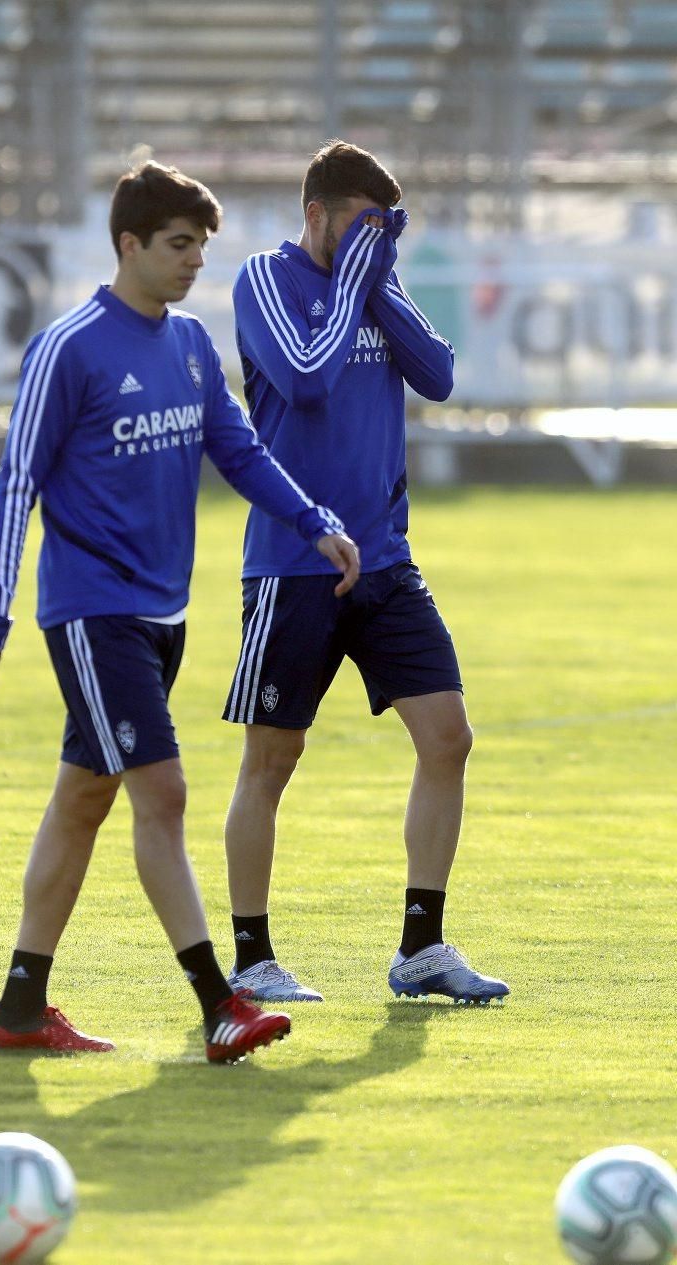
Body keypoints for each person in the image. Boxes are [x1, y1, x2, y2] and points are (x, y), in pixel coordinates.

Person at [0, 160, 360, 1064]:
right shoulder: (71, 346)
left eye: (202, 248)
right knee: (162, 792)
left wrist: (314, 520)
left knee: (83, 799)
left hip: (161, 612)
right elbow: (15, 481)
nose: (193, 263)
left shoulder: (186, 347)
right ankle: (223, 1000)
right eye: (179, 245)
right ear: (128, 244)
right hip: (91, 611)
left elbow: (242, 452)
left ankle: (20, 1008)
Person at [222, 140, 509, 1006]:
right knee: (274, 756)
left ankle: (421, 946)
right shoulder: (264, 280)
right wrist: (356, 279)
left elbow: (443, 375)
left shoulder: (373, 285)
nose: (371, 247)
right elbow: (305, 377)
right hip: (293, 560)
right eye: (359, 230)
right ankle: (252, 956)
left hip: (386, 558)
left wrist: (378, 278)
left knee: (448, 737)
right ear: (316, 214)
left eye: (383, 236)